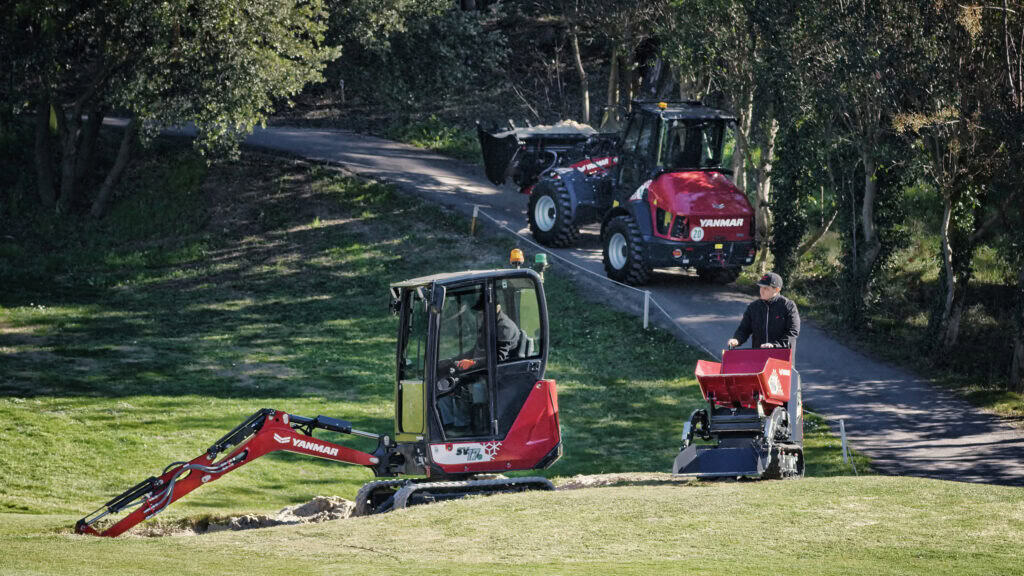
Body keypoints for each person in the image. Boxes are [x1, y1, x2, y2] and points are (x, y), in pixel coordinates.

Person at [727, 272, 800, 360]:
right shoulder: (753, 307)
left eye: (766, 288)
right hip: (759, 358)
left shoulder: (788, 306)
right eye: (761, 287)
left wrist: (774, 346)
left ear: (776, 290)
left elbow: (793, 332)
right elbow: (744, 329)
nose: (761, 291)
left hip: (782, 359)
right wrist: (737, 339)